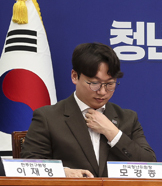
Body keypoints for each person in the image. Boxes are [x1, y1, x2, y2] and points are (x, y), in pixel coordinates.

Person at [21, 43, 155, 177]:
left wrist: (112, 132)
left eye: (110, 84)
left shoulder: (128, 118)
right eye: (94, 83)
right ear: (75, 76)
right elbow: (30, 166)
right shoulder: (48, 117)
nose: (102, 92)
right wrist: (64, 173)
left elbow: (151, 166)